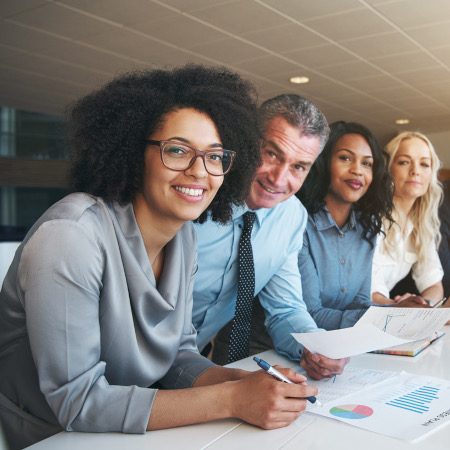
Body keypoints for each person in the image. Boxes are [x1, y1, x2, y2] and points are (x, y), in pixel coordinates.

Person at [0, 66, 318, 450]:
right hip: (50, 435)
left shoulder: (182, 239)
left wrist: (243, 383)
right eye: (178, 150)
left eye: (214, 156)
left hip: (129, 424)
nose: (199, 171)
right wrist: (232, 399)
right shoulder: (71, 236)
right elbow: (76, 401)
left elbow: (178, 356)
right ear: (136, 152)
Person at [193, 94, 349, 380]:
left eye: (298, 167)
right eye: (272, 154)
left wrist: (315, 346)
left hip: (191, 362)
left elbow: (286, 308)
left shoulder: (291, 217)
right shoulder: (195, 194)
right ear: (248, 141)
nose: (278, 179)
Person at [297, 122, 393, 330]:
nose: (357, 170)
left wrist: (401, 312)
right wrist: (385, 322)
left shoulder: (368, 226)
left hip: (337, 346)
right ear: (323, 163)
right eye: (345, 158)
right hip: (279, 350)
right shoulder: (299, 222)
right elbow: (309, 313)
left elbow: (359, 303)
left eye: (367, 164)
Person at [371, 131, 444, 305]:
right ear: (388, 169)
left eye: (424, 164)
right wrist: (400, 308)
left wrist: (422, 303)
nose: (415, 171)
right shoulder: (371, 217)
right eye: (404, 162)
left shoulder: (421, 223)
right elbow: (368, 290)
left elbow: (434, 284)